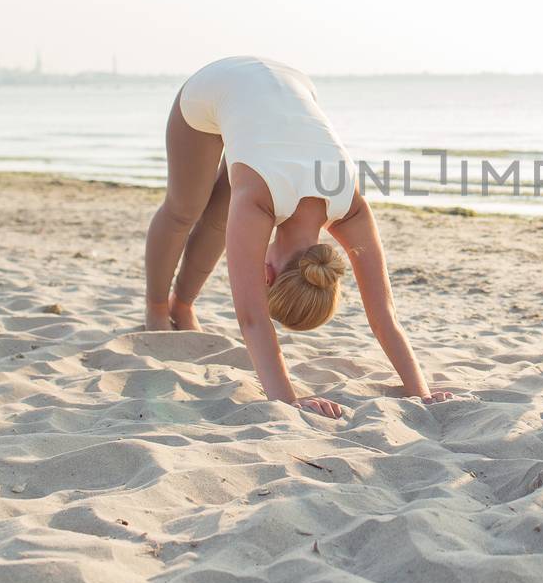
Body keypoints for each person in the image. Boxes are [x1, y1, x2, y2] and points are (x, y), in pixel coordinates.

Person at [144, 55, 451, 417]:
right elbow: (252, 319)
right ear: (267, 276)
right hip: (215, 85)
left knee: (218, 220)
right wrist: (288, 401)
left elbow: (385, 312)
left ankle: (184, 305)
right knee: (185, 208)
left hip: (291, 84)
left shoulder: (347, 202)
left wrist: (421, 391)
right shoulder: (260, 199)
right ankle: (158, 307)